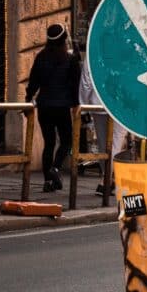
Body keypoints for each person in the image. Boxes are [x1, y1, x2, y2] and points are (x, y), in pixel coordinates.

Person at [26, 22, 82, 194]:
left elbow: (33, 81)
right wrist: (76, 104)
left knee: (49, 143)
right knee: (66, 141)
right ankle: (56, 168)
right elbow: (75, 85)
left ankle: (48, 181)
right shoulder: (70, 59)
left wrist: (29, 98)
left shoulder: (41, 56)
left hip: (44, 107)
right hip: (62, 107)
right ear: (64, 39)